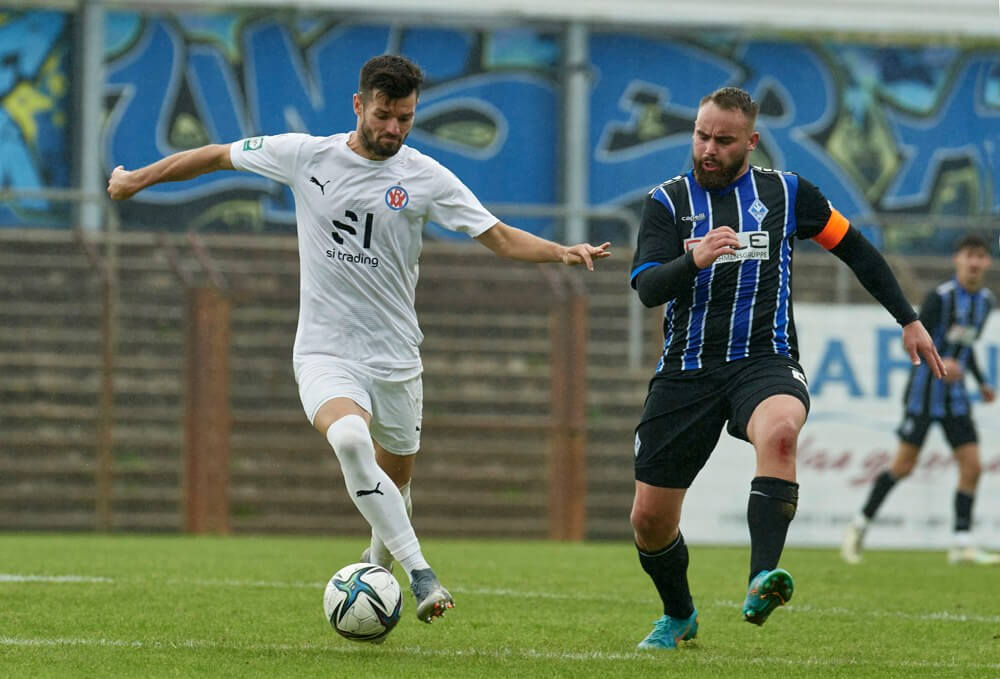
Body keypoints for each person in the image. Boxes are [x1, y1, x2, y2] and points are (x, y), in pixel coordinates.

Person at [107, 54, 610, 623]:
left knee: (396, 480)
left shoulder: (425, 177)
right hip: (325, 353)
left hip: (395, 360)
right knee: (350, 439)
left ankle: (377, 572)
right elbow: (215, 155)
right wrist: (135, 179)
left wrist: (561, 250)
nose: (392, 128)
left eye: (404, 118)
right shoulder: (306, 155)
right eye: (383, 115)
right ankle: (422, 575)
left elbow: (496, 236)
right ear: (358, 105)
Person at [627, 86, 944, 650]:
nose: (708, 148)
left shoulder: (786, 193)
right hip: (686, 370)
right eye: (701, 135)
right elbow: (648, 288)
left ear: (750, 142)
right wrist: (693, 258)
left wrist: (909, 319)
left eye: (724, 140)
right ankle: (679, 614)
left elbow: (856, 249)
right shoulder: (667, 203)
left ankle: (760, 580)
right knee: (649, 522)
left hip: (764, 361)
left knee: (780, 431)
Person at [842, 234, 997, 566]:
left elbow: (965, 349)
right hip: (924, 396)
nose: (974, 262)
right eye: (969, 255)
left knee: (972, 466)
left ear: (987, 262)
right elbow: (912, 342)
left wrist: (982, 383)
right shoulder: (940, 299)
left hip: (956, 399)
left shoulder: (985, 302)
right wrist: (943, 362)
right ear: (957, 259)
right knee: (903, 466)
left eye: (981, 256)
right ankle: (859, 525)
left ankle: (962, 542)